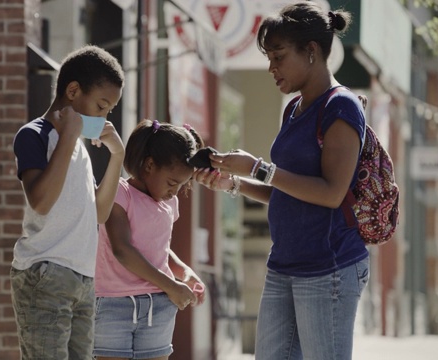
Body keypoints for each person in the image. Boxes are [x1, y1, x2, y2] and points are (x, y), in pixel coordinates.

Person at [193, 3, 369, 360]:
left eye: (278, 56)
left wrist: (258, 167)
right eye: (268, 57)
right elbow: (288, 193)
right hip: (284, 264)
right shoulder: (293, 108)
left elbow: (332, 193)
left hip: (328, 268)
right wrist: (234, 183)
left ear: (311, 52)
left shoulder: (341, 107)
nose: (271, 67)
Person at [10, 45, 125, 360]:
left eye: (108, 111)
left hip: (83, 279)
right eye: (101, 106)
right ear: (73, 90)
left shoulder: (79, 150)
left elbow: (99, 213)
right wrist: (70, 136)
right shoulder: (34, 134)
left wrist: (118, 156)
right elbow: (42, 201)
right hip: (46, 273)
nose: (103, 118)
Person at [93, 120, 207, 360]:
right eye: (172, 183)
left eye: (182, 186)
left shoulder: (169, 203)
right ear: (149, 165)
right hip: (114, 305)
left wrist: (185, 273)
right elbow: (122, 250)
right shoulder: (120, 193)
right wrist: (171, 285)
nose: (175, 192)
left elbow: (160, 248)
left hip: (160, 306)